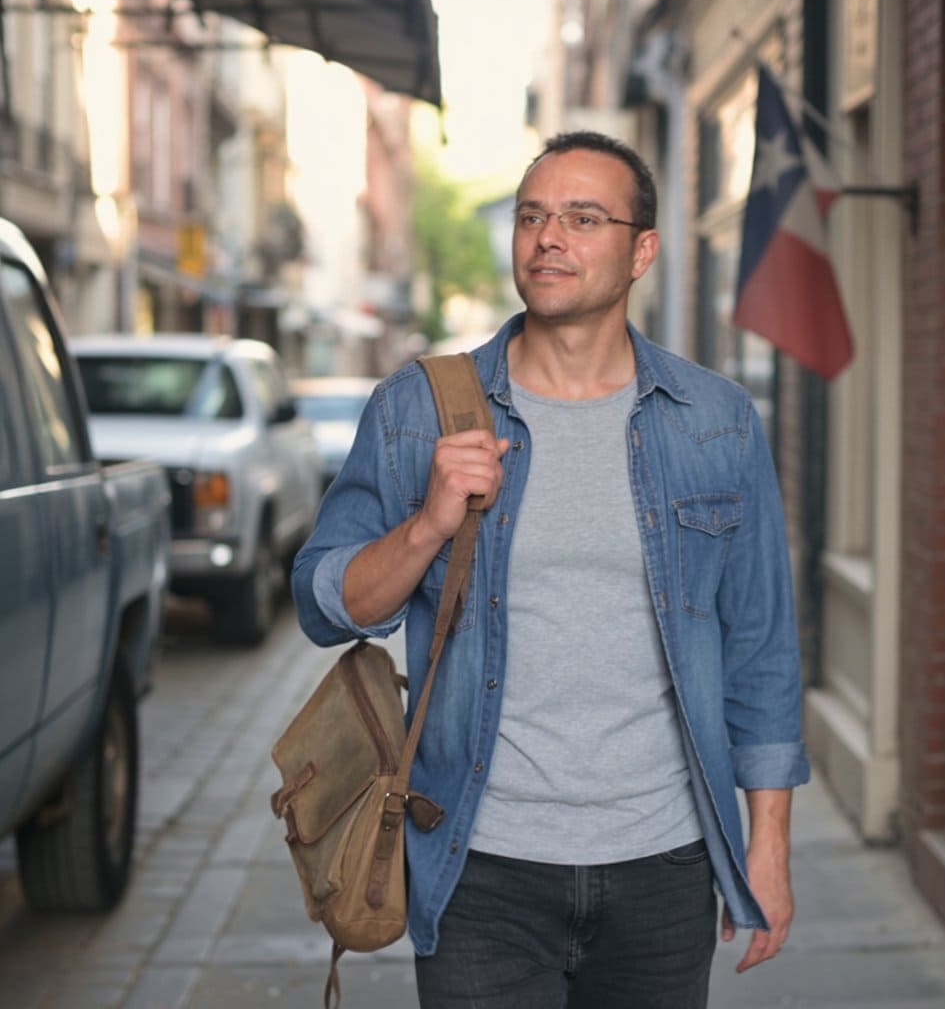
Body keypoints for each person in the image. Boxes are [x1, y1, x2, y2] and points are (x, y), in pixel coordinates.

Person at [292, 130, 810, 1008]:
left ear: (641, 250)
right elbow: (323, 605)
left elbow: (759, 647)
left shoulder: (714, 421)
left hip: (664, 864)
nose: (547, 238)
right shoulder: (420, 407)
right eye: (532, 217)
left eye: (581, 217)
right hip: (478, 869)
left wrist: (768, 843)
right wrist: (426, 528)